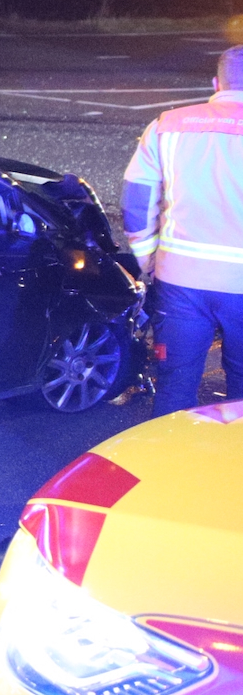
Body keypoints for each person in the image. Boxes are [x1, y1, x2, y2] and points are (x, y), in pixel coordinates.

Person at [122, 46, 243, 417]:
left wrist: (149, 260)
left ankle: (171, 466)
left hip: (181, 280)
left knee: (175, 385)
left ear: (215, 82)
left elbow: (137, 201)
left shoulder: (168, 125)